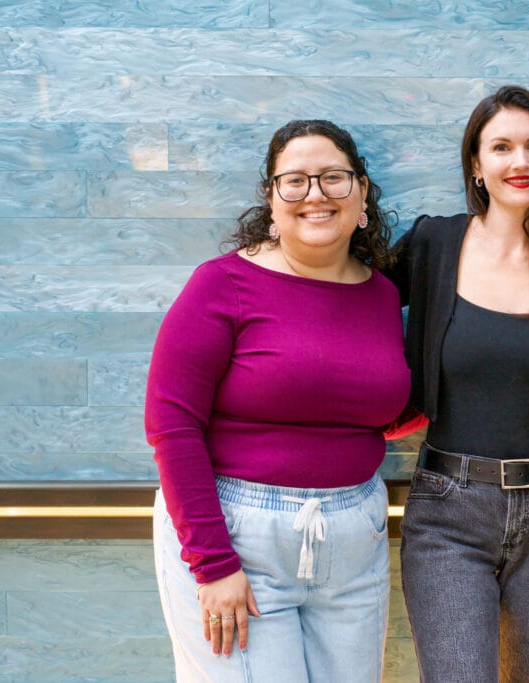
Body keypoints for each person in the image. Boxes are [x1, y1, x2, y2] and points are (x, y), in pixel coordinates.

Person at [145, 120, 409, 682]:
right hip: (238, 537)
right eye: (295, 181)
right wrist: (213, 564)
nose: (315, 194)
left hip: (354, 542)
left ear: (362, 193)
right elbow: (172, 426)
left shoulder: (382, 295)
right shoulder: (222, 285)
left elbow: (381, 406)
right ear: (272, 198)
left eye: (333, 178)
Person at [386, 85, 529, 682]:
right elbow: (349, 300)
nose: (521, 162)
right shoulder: (434, 244)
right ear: (476, 166)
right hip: (448, 512)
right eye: (502, 146)